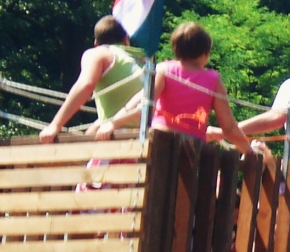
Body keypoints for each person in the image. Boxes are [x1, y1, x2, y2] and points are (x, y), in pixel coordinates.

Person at [95, 22, 253, 154]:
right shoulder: (213, 80)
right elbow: (229, 127)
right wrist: (249, 151)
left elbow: (141, 102)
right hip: (191, 150)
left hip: (160, 143)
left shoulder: (164, 70)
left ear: (176, 49)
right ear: (205, 54)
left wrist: (112, 123)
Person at [37, 16, 146, 141]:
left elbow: (86, 84)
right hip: (147, 133)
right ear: (126, 40)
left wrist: (55, 125)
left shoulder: (99, 53)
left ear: (96, 43)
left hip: (120, 137)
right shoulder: (143, 61)